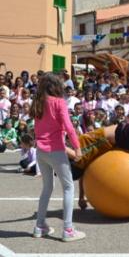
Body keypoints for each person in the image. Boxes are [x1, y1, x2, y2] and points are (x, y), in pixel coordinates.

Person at [31, 72, 85, 242]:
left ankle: (40, 226)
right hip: (56, 150)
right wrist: (77, 148)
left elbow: (38, 128)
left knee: (47, 188)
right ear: (56, 86)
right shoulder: (59, 102)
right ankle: (68, 229)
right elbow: (69, 127)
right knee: (68, 187)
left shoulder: (38, 102)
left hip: (41, 151)